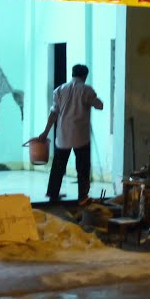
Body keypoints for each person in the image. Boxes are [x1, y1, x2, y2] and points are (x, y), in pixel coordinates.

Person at [39, 64, 103, 204]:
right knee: (83, 167)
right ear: (85, 76)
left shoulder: (59, 90)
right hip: (81, 136)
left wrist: (45, 132)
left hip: (63, 135)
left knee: (58, 167)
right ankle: (83, 196)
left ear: (72, 74)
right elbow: (99, 105)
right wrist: (94, 101)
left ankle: (53, 194)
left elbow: (53, 113)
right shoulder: (86, 90)